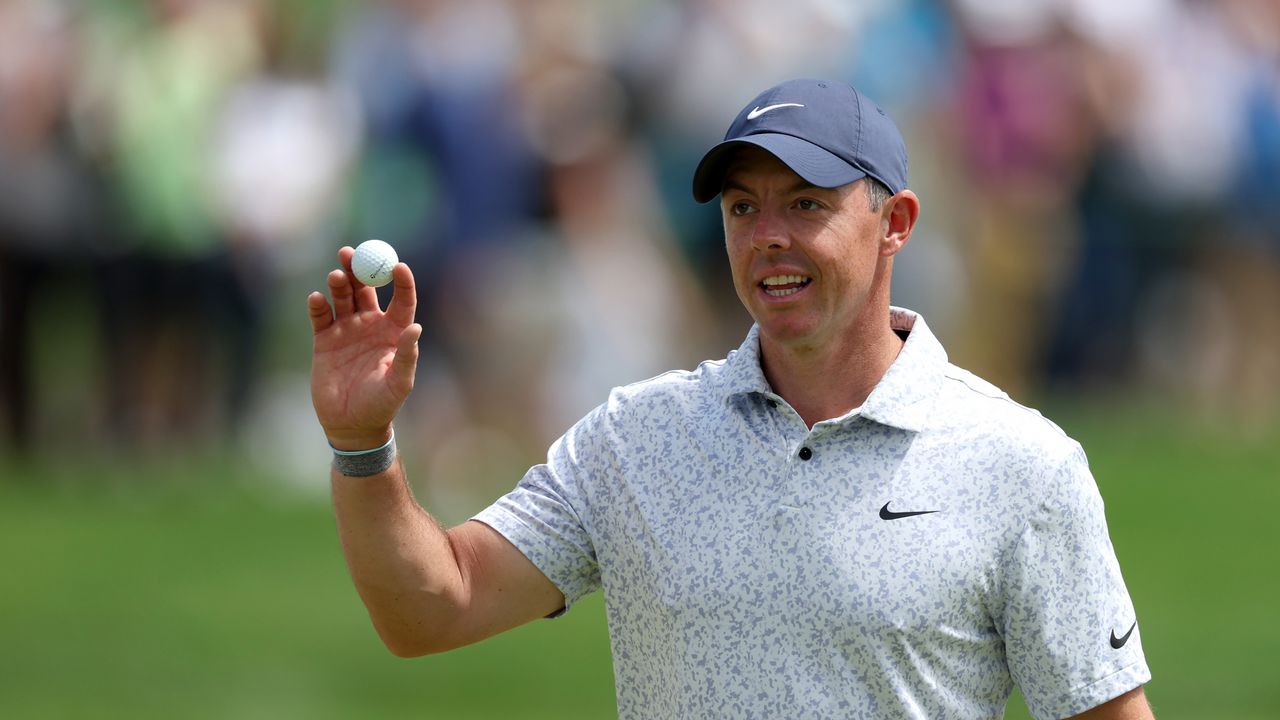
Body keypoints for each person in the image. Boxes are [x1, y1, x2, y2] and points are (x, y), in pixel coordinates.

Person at [308, 78, 1153, 719]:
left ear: (895, 222)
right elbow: (431, 608)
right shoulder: (636, 439)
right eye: (743, 207)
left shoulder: (1022, 466)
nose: (768, 236)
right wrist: (363, 443)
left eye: (806, 205)